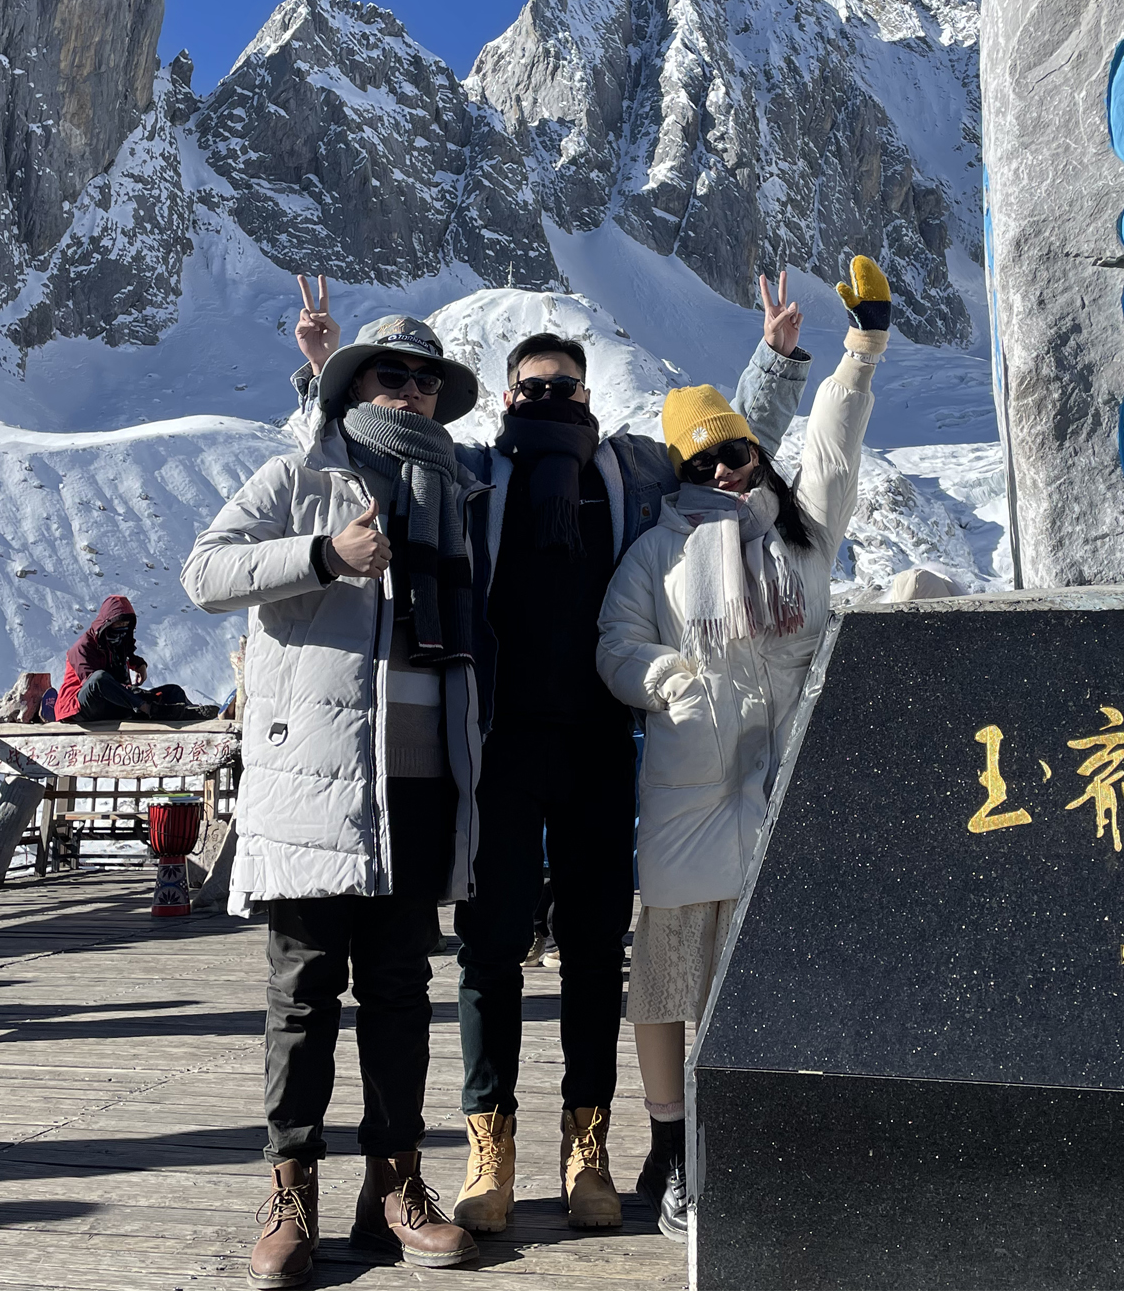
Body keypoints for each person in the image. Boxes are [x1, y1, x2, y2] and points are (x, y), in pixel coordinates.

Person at [288, 272, 810, 1236]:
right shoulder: (472, 472)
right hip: (498, 748)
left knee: (594, 954)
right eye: (528, 387)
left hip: (602, 748)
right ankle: (490, 1146)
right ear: (504, 397)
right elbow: (374, 454)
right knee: (487, 952)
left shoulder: (633, 472)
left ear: (587, 398)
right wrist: (323, 378)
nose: (544, 399)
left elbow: (730, 452)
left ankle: (589, 1146)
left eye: (561, 386)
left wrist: (772, 360)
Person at [183, 312, 487, 1288]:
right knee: (304, 991)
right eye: (388, 375)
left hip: (420, 780)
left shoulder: (459, 487)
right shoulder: (298, 479)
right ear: (352, 387)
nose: (409, 391)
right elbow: (205, 573)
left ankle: (393, 1185)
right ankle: (291, 1194)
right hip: (314, 778)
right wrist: (322, 554)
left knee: (401, 991)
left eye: (424, 379)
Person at [595, 256, 892, 1241]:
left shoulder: (799, 540)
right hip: (687, 790)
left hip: (785, 791)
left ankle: (756, 1139)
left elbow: (837, 450)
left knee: (766, 975)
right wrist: (659, 678)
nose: (727, 472)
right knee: (667, 979)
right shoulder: (657, 555)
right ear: (679, 476)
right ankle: (672, 1144)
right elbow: (615, 642)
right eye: (704, 463)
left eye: (736, 453)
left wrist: (857, 353)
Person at [52, 597, 202, 721]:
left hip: (117, 703)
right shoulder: (82, 647)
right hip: (78, 709)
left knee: (172, 691)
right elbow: (93, 684)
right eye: (119, 623)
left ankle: (189, 714)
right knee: (100, 678)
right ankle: (148, 709)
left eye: (125, 624)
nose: (122, 628)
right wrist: (134, 695)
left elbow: (128, 655)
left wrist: (139, 665)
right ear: (108, 622)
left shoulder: (116, 642)